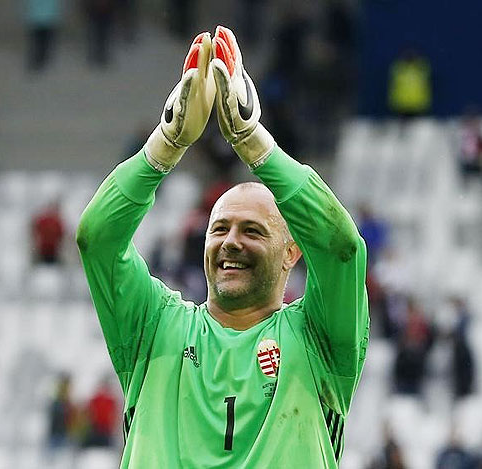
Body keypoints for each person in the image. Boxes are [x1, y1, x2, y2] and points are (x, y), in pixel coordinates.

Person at [76, 26, 369, 467]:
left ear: (292, 252)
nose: (231, 242)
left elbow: (341, 247)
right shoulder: (153, 328)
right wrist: (165, 145)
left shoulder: (319, 339)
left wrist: (255, 144)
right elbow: (96, 238)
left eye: (252, 231)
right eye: (220, 229)